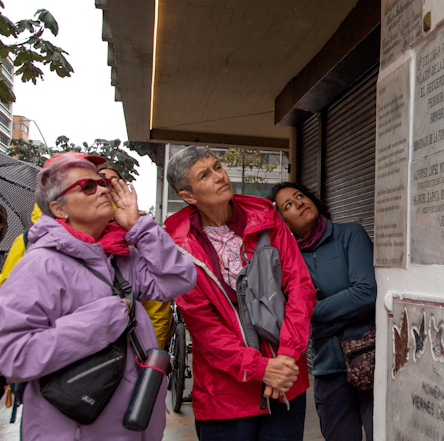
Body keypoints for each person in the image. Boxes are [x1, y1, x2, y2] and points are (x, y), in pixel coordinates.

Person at [0, 151, 197, 440]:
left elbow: (180, 278)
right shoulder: (40, 264)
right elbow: (13, 355)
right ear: (59, 208)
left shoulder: (118, 256)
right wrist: (100, 323)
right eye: (88, 187)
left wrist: (140, 228)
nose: (103, 189)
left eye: (102, 182)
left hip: (132, 425)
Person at [163, 146, 316, 440]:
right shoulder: (179, 247)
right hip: (226, 395)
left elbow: (300, 288)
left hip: (285, 382)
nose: (219, 176)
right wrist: (261, 369)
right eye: (204, 175)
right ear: (188, 196)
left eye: (217, 167)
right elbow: (204, 326)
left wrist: (285, 358)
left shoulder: (267, 221)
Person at [269, 181, 377, 441]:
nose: (299, 203)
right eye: (289, 205)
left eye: (300, 196)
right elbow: (290, 315)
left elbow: (366, 293)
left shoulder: (350, 235)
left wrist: (312, 311)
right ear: (283, 222)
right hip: (328, 368)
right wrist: (348, 309)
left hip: (370, 358)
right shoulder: (286, 259)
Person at [98, 163, 172, 350]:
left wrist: (151, 354)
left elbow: (159, 302)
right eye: (98, 181)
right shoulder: (39, 243)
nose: (104, 187)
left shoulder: (137, 232)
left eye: (111, 181)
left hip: (133, 347)